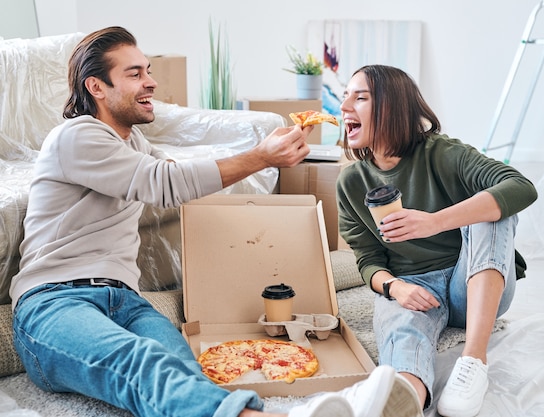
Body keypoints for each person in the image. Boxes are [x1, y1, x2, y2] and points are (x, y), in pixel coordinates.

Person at [9, 27, 422, 417]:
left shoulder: (134, 143)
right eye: (134, 73)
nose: (150, 81)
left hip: (126, 302)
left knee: (184, 372)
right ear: (96, 87)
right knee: (141, 361)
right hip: (54, 302)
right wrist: (261, 157)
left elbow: (182, 179)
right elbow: (165, 184)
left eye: (148, 70)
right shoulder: (77, 136)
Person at [336, 64, 538, 417]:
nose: (344, 107)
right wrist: (395, 288)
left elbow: (520, 186)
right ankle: (405, 400)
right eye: (344, 97)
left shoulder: (442, 153)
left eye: (360, 97)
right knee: (402, 331)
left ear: (392, 106)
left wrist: (435, 222)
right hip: (415, 289)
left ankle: (473, 360)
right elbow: (367, 260)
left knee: (493, 214)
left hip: (472, 284)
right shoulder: (351, 182)